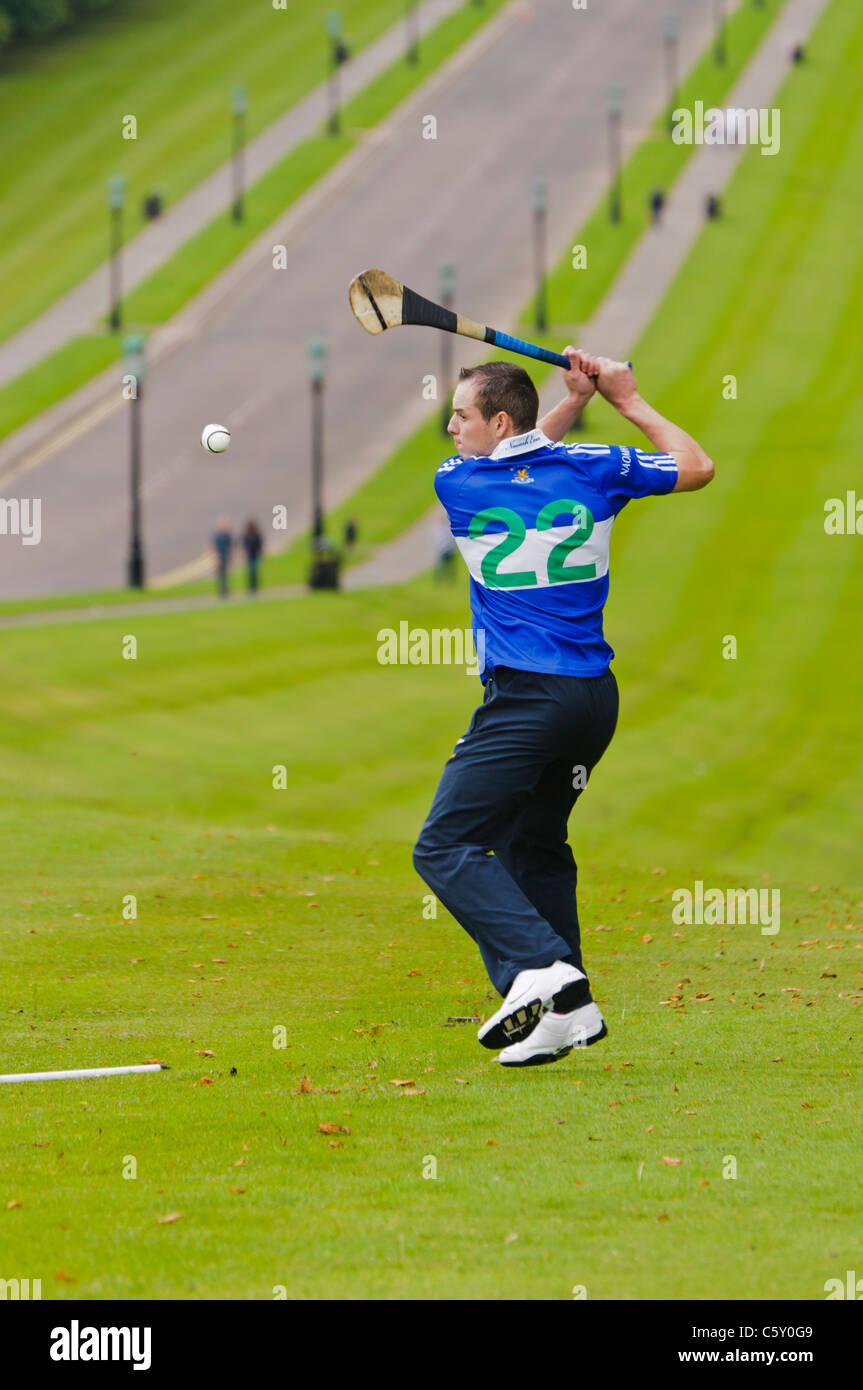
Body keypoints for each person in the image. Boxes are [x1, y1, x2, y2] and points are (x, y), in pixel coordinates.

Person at [412, 352, 713, 1067]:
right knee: (532, 842)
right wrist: (622, 399)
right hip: (591, 701)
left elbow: (515, 459)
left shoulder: (456, 481)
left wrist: (571, 402)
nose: (449, 426)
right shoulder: (594, 466)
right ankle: (567, 1014)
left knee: (444, 846)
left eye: (461, 415)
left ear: (499, 421)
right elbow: (695, 465)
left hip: (526, 697)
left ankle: (541, 970)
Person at [211, 516, 233, 598]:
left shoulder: (227, 535)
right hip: (219, 557)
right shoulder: (216, 536)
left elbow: (231, 546)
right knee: (220, 576)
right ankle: (221, 592)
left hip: (226, 557)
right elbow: (213, 546)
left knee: (226, 575)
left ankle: (226, 592)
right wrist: (215, 556)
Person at [241, 519, 264, 592]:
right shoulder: (246, 535)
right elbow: (245, 545)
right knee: (251, 571)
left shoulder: (256, 535)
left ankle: (254, 587)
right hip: (250, 555)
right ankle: (252, 587)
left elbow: (259, 545)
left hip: (255, 555)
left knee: (254, 571)